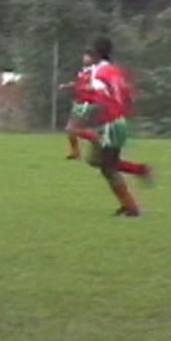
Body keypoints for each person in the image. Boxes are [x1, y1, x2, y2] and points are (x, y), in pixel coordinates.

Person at [83, 36, 152, 217]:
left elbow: (99, 100)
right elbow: (128, 95)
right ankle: (139, 173)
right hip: (119, 121)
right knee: (101, 162)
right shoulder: (116, 71)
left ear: (97, 54)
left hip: (109, 123)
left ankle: (131, 206)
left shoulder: (99, 74)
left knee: (107, 166)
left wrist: (90, 117)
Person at [58, 49, 95, 160]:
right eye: (84, 56)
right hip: (78, 102)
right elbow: (77, 84)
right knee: (70, 129)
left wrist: (90, 88)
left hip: (87, 103)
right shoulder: (82, 72)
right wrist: (66, 86)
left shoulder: (95, 72)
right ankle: (75, 153)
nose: (84, 58)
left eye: (87, 56)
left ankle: (99, 140)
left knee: (73, 129)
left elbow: (97, 86)